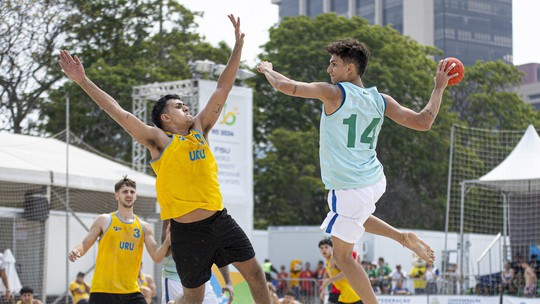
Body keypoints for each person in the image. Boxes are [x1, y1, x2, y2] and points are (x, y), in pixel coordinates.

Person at [59, 14, 271, 304]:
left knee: (256, 273)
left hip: (219, 219)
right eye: (179, 106)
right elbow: (120, 113)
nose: (187, 108)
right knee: (192, 298)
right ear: (166, 118)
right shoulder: (159, 142)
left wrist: (238, 47)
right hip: (185, 231)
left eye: (186, 105)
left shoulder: (200, 129)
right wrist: (83, 81)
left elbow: (223, 87)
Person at [257, 38, 455, 303]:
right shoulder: (380, 100)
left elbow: (286, 86)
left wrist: (268, 69)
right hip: (373, 180)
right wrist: (438, 87)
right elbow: (424, 121)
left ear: (350, 69)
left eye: (334, 63)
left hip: (349, 185)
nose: (329, 69)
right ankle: (401, 237)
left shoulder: (334, 93)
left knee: (342, 258)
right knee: (355, 215)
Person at [67, 177, 171, 304]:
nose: (129, 195)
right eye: (125, 191)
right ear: (116, 195)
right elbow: (84, 244)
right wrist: (76, 250)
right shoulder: (104, 220)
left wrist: (167, 241)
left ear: (136, 196)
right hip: (103, 291)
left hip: (131, 292)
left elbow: (157, 256)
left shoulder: (144, 227)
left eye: (132, 192)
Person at [160, 220, 234, 304]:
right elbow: (165, 251)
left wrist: (228, 282)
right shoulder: (171, 214)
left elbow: (217, 251)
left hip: (201, 279)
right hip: (175, 278)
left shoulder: (208, 215)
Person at [318, 238, 362, 304]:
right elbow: (326, 274)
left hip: (353, 296)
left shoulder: (335, 259)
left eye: (326, 247)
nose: (324, 250)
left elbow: (346, 273)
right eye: (321, 248)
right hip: (345, 297)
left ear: (332, 248)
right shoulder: (328, 262)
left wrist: (329, 281)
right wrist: (323, 290)